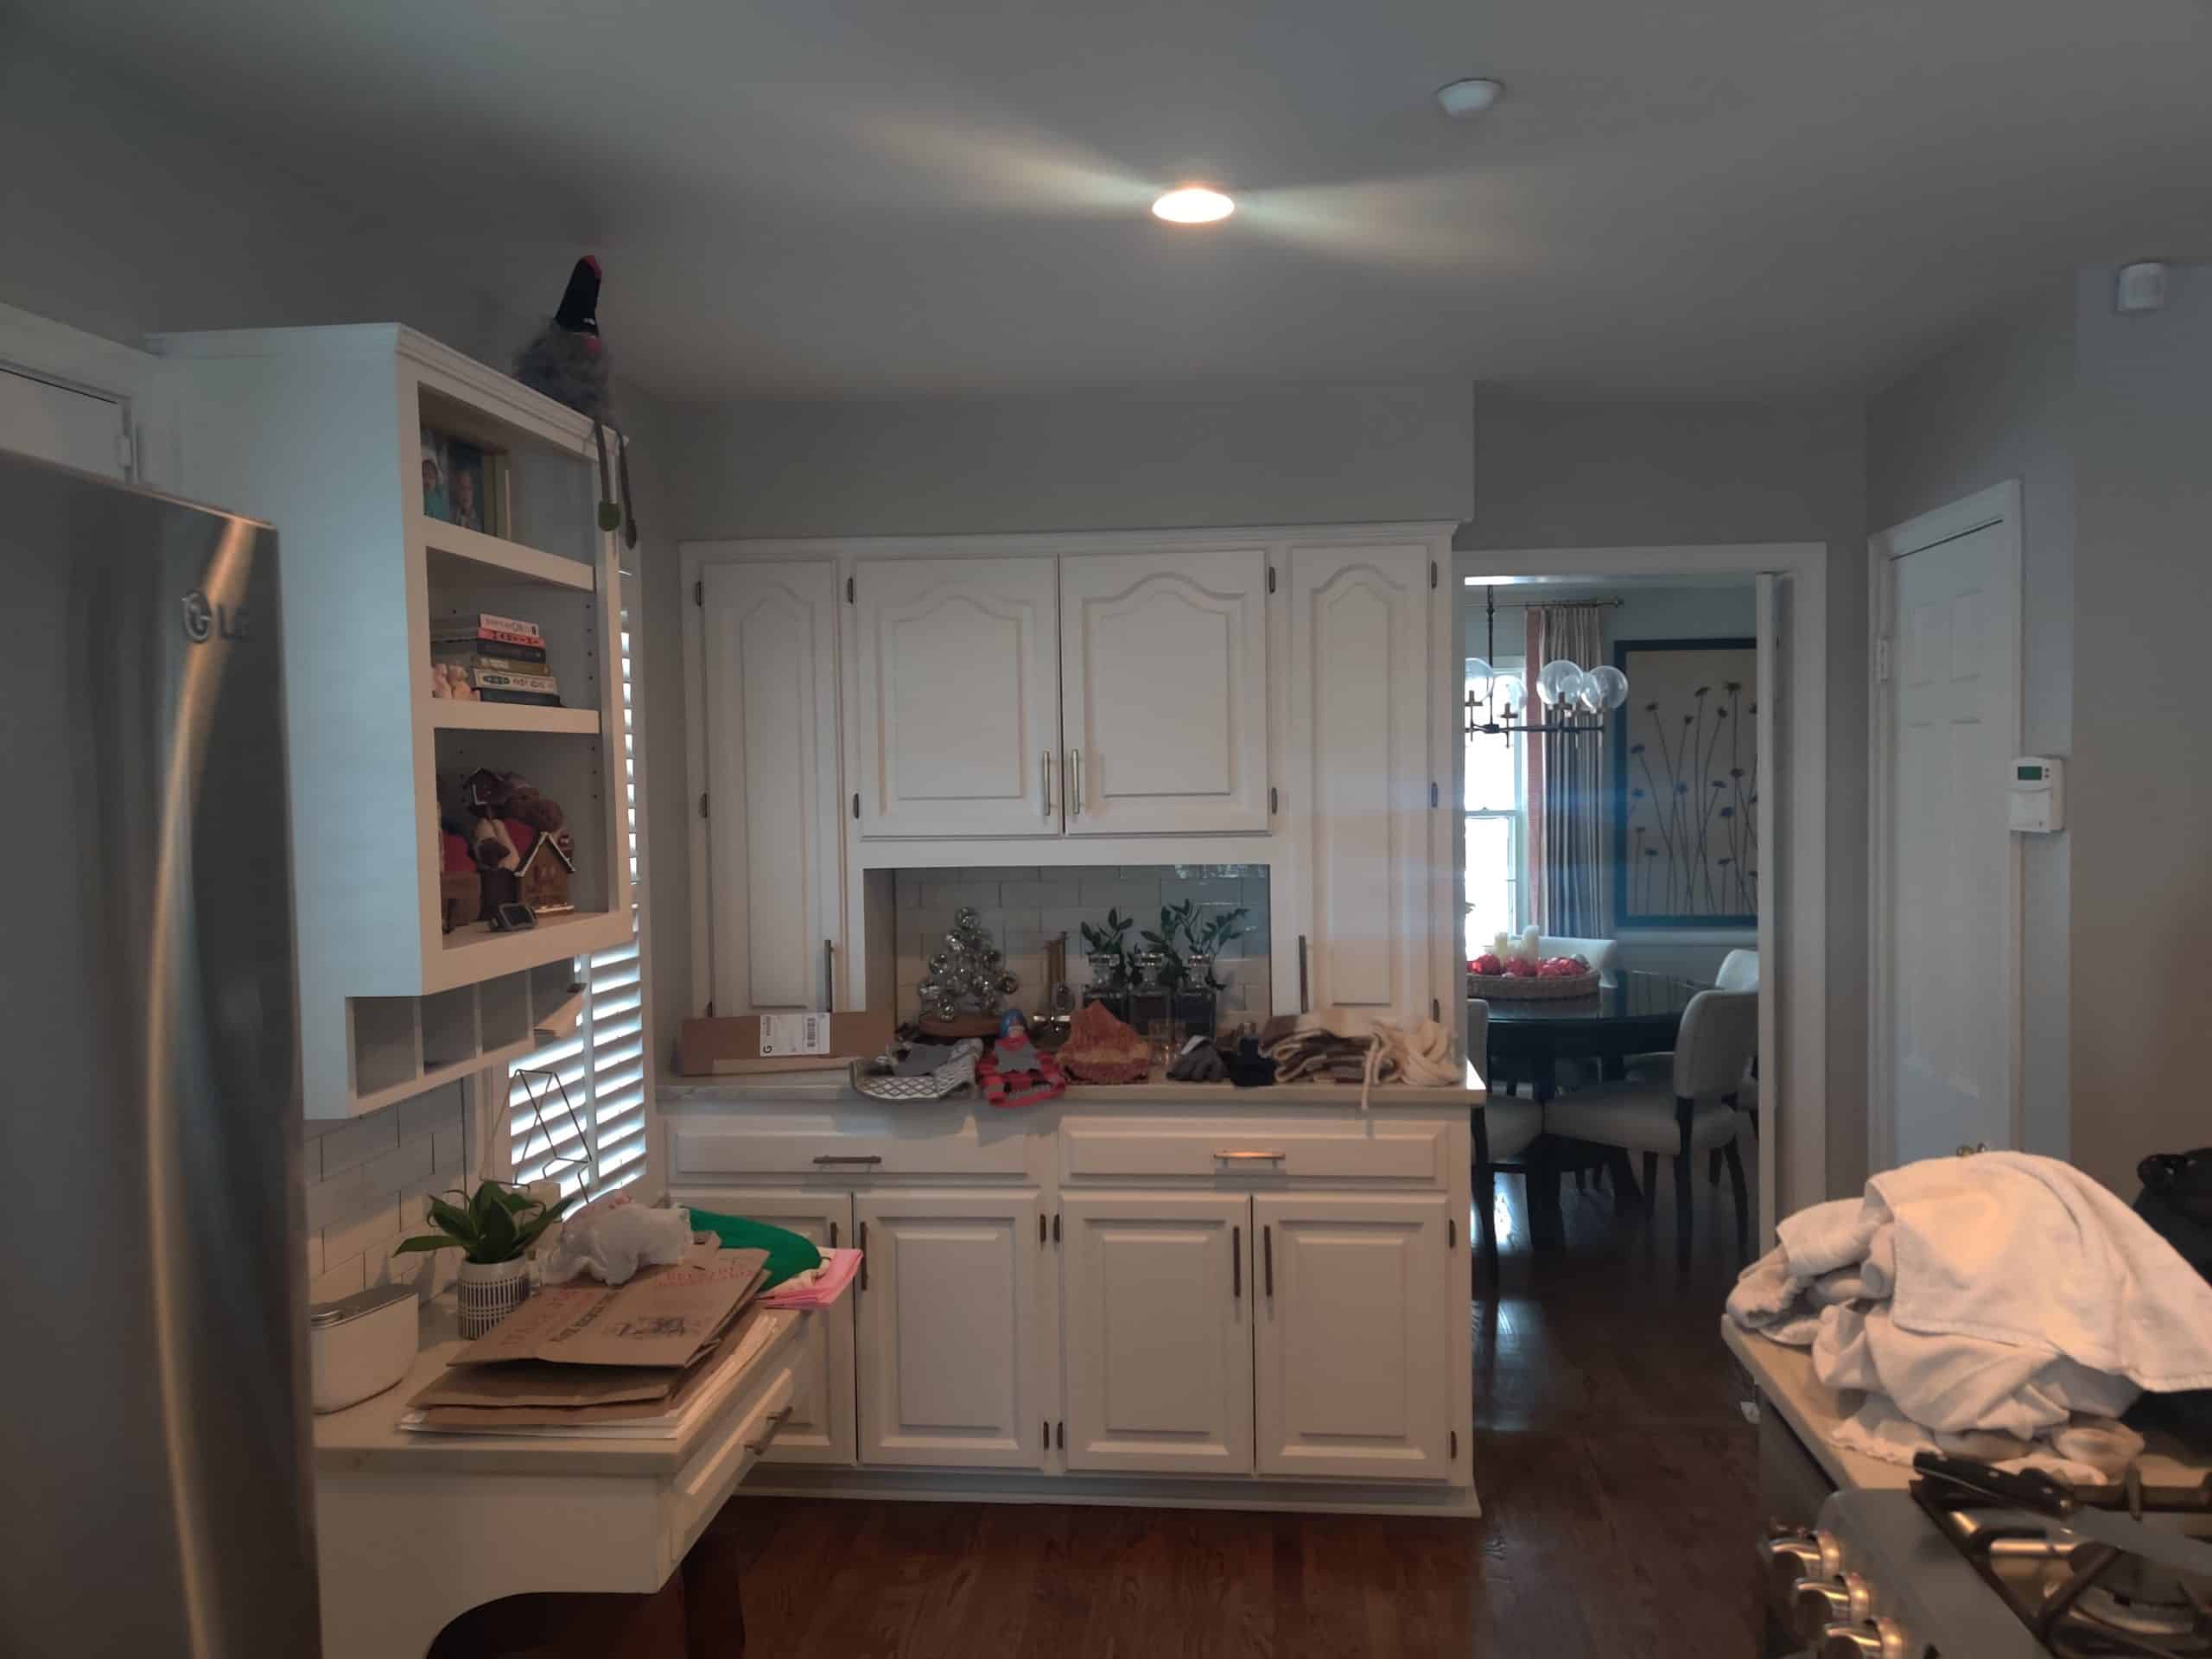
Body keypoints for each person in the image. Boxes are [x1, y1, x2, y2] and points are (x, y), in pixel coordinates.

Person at [421, 442, 449, 522]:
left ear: (436, 480)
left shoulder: (439, 499)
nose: (426, 479)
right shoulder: (419, 496)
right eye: (423, 475)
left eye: (430, 476)